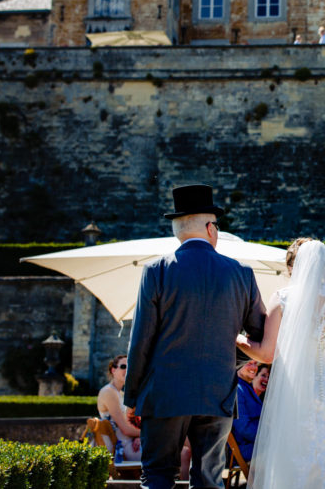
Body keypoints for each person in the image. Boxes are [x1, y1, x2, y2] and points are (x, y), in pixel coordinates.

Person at [125, 184, 267, 489]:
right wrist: (228, 359)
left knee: (158, 475)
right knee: (208, 479)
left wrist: (132, 396)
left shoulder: (156, 270)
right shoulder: (241, 273)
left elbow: (141, 341)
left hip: (164, 392)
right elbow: (260, 335)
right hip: (218, 392)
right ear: (210, 227)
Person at [238, 239, 325, 488]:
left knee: (297, 459)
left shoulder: (283, 298)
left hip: (297, 395)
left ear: (292, 268)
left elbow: (266, 354)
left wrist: (236, 338)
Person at [97, 354, 141, 462]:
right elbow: (125, 429)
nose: (127, 370)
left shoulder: (120, 394)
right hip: (122, 449)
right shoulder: (108, 392)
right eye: (123, 366)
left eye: (130, 367)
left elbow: (130, 425)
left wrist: (138, 437)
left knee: (181, 451)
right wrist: (146, 434)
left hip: (130, 444)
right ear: (113, 370)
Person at [232, 363, 269, 462]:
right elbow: (243, 427)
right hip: (246, 447)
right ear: (238, 363)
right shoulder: (237, 389)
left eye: (255, 364)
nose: (254, 367)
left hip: (255, 443)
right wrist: (268, 438)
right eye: (249, 363)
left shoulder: (245, 387)